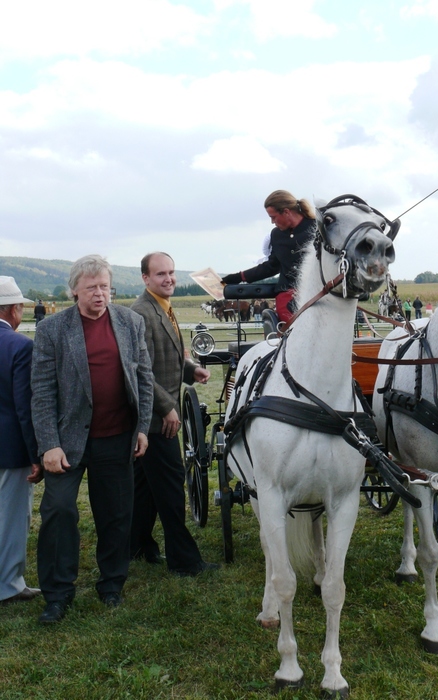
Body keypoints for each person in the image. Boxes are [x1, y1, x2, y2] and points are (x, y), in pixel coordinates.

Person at [31, 255, 154, 624]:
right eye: (91, 288)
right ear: (74, 291)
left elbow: (144, 379)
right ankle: (57, 594)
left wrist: (142, 428)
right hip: (66, 440)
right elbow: (42, 392)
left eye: (104, 286)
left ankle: (112, 584)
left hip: (117, 436)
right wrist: (49, 444)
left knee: (115, 514)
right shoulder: (52, 329)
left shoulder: (130, 322)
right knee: (58, 510)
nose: (100, 294)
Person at [130, 252, 219, 576]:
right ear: (145, 278)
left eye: (171, 272)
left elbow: (165, 358)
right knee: (169, 486)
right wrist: (167, 406)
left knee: (145, 486)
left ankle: (136, 545)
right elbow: (139, 369)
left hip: (159, 414)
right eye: (160, 274)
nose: (168, 279)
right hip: (154, 419)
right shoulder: (141, 313)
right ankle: (184, 561)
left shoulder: (163, 307)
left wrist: (191, 369)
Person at [0, 277, 42, 606]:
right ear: (13, 309)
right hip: (9, 447)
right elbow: (25, 407)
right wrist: (35, 454)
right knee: (12, 519)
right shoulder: (19, 346)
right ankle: (8, 585)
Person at [221, 190, 317, 323]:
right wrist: (239, 277)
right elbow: (271, 266)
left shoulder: (318, 228)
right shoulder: (277, 235)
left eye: (273, 217)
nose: (272, 222)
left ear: (286, 212)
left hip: (317, 292)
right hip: (288, 296)